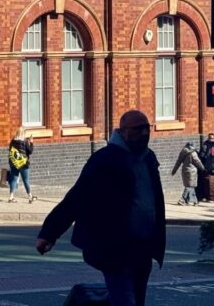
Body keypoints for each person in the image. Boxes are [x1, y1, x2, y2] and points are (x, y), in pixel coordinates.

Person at [36, 110, 166, 306]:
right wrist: (49, 232)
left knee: (136, 300)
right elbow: (77, 196)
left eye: (147, 128)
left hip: (143, 247)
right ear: (122, 131)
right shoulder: (105, 160)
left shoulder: (149, 159)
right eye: (138, 129)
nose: (144, 133)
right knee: (124, 300)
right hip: (115, 246)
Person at [7, 129, 35, 203]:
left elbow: (9, 150)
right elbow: (30, 151)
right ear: (23, 133)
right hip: (23, 164)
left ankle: (11, 197)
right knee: (26, 180)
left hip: (14, 163)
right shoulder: (25, 141)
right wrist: (31, 143)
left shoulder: (13, 140)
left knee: (13, 179)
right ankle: (30, 197)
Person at [196, 133, 214, 203]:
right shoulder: (205, 146)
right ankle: (210, 197)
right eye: (210, 139)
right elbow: (202, 155)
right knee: (209, 182)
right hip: (208, 166)